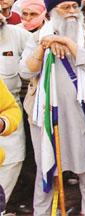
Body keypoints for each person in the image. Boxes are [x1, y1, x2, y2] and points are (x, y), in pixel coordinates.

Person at [20, 0, 85, 216]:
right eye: (65, 7)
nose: (72, 12)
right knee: (45, 169)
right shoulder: (38, 36)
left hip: (81, 114)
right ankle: (42, 213)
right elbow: (25, 72)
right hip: (44, 115)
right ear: (52, 12)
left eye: (75, 6)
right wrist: (44, 46)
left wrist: (67, 43)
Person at [0, 10, 31, 202]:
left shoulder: (17, 34)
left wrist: (4, 123)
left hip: (9, 113)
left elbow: (10, 109)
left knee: (12, 162)